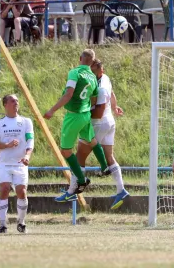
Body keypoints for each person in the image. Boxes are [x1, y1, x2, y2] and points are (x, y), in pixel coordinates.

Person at [44, 49, 98, 199]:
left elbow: (68, 94)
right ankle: (76, 185)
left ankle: (81, 180)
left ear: (80, 58)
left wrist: (51, 110)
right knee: (87, 146)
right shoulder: (93, 77)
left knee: (66, 151)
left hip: (74, 116)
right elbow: (93, 99)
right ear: (92, 62)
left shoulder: (74, 73)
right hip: (86, 115)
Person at [0, 94, 34, 234]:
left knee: (22, 191)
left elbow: (30, 140)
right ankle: (2, 224)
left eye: (17, 101)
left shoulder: (26, 122)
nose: (16, 103)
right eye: (13, 101)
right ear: (5, 105)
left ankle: (21, 222)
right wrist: (6, 145)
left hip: (20, 164)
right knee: (5, 189)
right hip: (4, 164)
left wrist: (27, 155)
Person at [89, 58, 129, 209]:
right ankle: (121, 190)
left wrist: (82, 114)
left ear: (100, 71)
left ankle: (73, 188)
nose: (92, 74)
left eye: (93, 71)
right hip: (110, 122)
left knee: (85, 148)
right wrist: (115, 106)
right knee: (109, 156)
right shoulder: (105, 78)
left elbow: (98, 113)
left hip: (101, 122)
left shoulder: (100, 87)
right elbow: (112, 93)